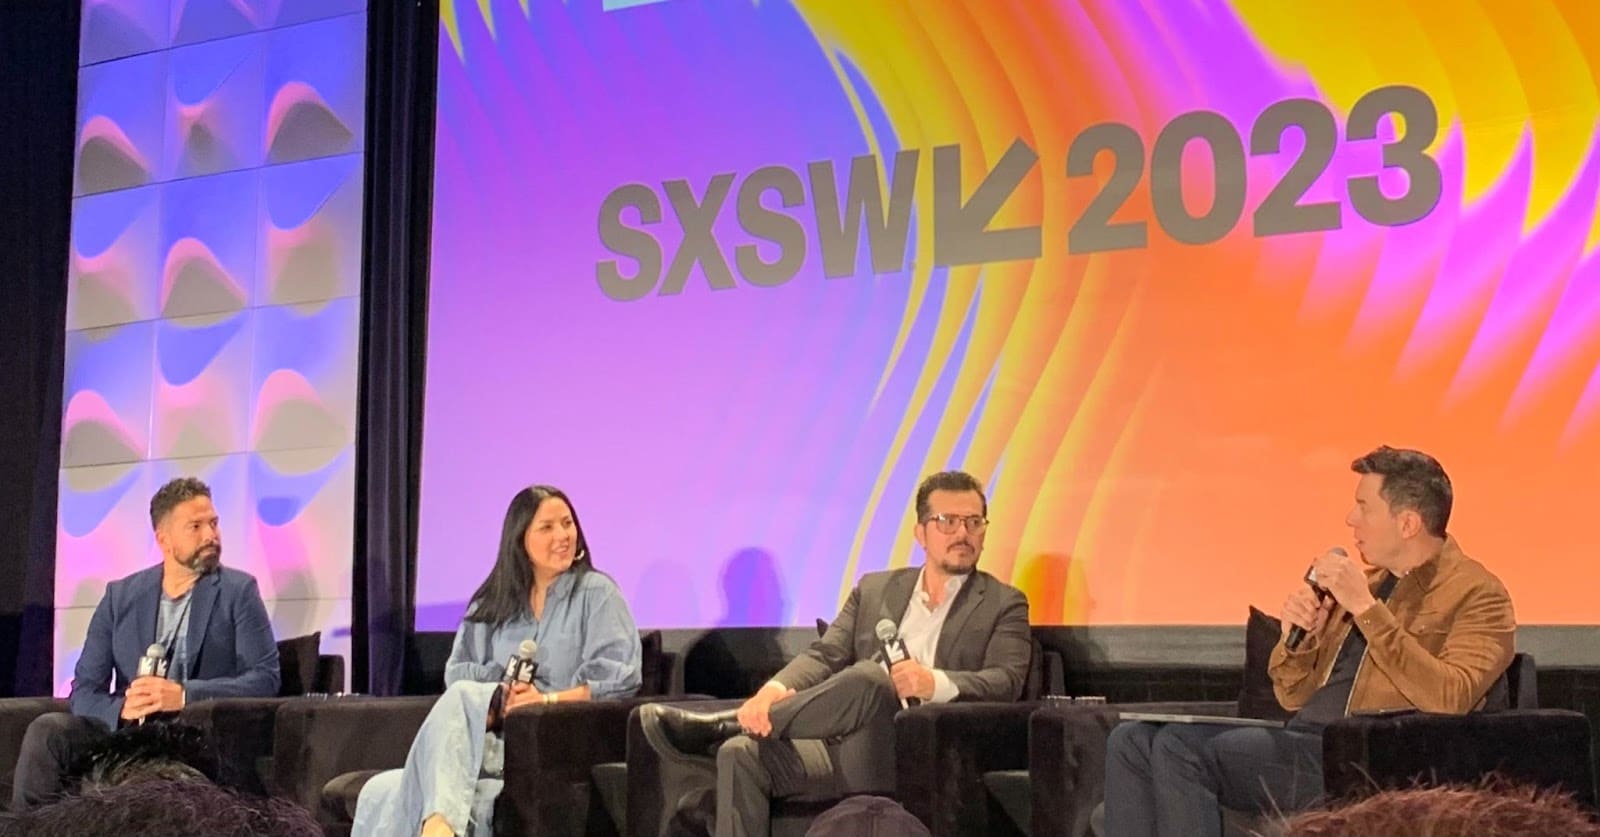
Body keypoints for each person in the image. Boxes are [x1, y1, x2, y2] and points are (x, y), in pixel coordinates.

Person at [1103, 445, 1517, 837]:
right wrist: (1299, 639)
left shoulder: (1478, 594)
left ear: (1407, 523)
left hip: (1367, 760)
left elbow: (1452, 696)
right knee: (1131, 740)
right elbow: (1292, 695)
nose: (1350, 519)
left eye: (1364, 507)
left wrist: (1366, 610)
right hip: (1304, 740)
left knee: (1179, 747)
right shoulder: (1369, 584)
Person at [643, 470, 1031, 837]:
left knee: (870, 677)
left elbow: (1007, 681)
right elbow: (825, 655)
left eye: (974, 522)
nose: (963, 533)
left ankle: (727, 724)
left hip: (916, 748)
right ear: (921, 533)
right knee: (741, 753)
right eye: (948, 521)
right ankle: (741, 727)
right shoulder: (876, 589)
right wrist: (770, 693)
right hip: (839, 742)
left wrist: (934, 682)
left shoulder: (1004, 603)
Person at [351, 485, 643, 837]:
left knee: (453, 717)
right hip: (485, 741)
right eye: (547, 527)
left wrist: (544, 700)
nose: (563, 536)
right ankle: (440, 824)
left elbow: (619, 677)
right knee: (382, 790)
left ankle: (439, 826)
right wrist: (499, 696)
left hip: (554, 739)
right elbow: (457, 673)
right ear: (519, 539)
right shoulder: (491, 602)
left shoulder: (597, 593)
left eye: (568, 524)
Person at [11, 477, 280, 810]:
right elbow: (86, 690)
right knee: (49, 730)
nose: (211, 535)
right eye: (195, 527)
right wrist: (121, 710)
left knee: (153, 777)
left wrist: (183, 695)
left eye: (213, 523)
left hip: (193, 737)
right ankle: (27, 829)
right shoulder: (120, 596)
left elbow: (265, 679)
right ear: (163, 539)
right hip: (128, 733)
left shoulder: (239, 591)